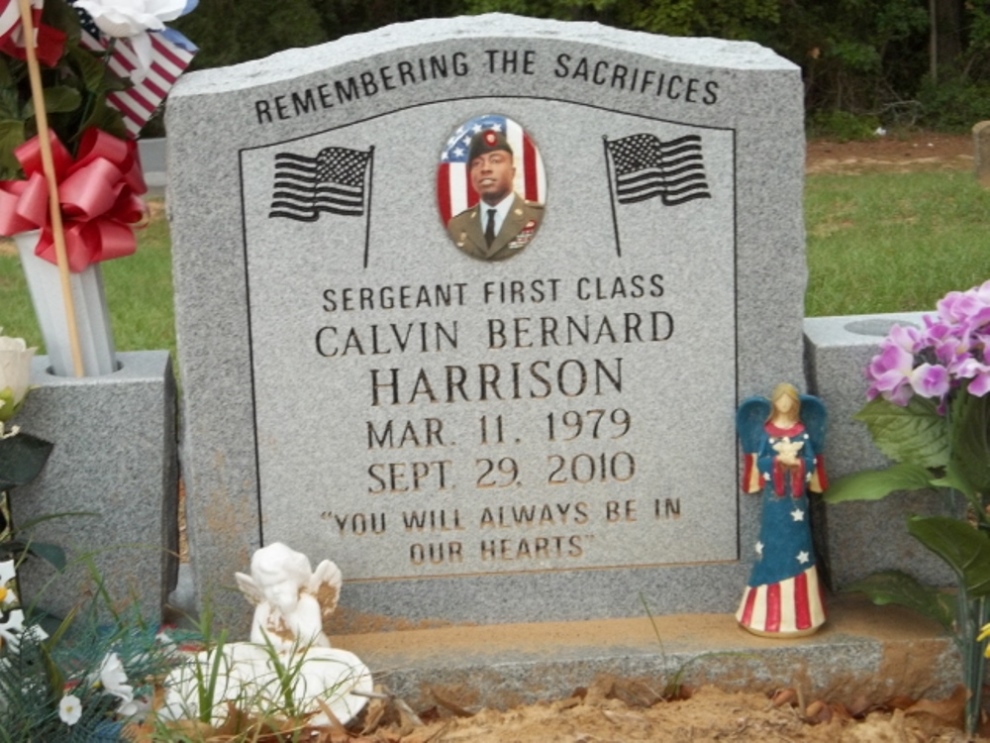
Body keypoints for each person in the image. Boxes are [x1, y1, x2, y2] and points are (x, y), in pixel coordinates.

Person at [735, 384, 828, 637]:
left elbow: (811, 461)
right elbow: (762, 459)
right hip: (775, 500)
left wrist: (797, 463)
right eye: (781, 400)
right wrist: (778, 462)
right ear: (775, 403)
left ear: (795, 404)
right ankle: (764, 612)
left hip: (795, 501)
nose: (785, 405)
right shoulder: (767, 432)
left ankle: (803, 612)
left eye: (789, 400)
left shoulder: (802, 433)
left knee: (798, 542)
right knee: (772, 542)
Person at [447, 129, 544, 261]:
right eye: (477, 163)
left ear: (512, 172)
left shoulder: (538, 217)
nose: (485, 168)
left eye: (496, 160)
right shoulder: (457, 226)